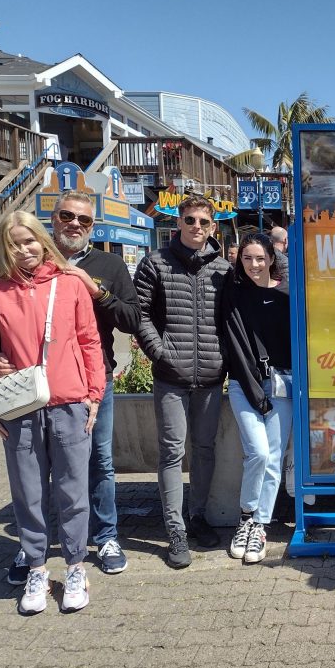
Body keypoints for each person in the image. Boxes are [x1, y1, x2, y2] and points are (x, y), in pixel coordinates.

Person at [0, 191, 140, 582]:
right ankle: (34, 549)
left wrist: (97, 291)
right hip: (32, 388)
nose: (75, 224)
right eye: (67, 216)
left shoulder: (107, 264)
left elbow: (131, 318)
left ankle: (106, 536)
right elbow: (1, 320)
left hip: (93, 382)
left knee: (99, 463)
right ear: (53, 219)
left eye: (85, 220)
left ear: (93, 226)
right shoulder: (25, 264)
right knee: (34, 469)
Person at [0, 211, 104, 614]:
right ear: (4, 249)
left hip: (69, 404)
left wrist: (93, 395)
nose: (24, 250)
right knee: (28, 494)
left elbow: (89, 341)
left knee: (73, 492)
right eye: (14, 243)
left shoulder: (69, 285)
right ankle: (37, 568)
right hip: (19, 408)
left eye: (29, 241)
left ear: (43, 241)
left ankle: (76, 566)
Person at [134, 195, 231, 568]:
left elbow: (229, 319)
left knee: (205, 451)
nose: (196, 228)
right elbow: (140, 314)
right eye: (190, 220)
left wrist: (222, 358)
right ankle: (174, 530)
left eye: (203, 222)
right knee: (172, 453)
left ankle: (198, 516)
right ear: (179, 222)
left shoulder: (223, 268)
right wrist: (160, 353)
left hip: (210, 375)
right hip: (170, 378)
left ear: (212, 226)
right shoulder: (156, 263)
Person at [219, 233, 292, 564]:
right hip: (243, 383)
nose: (254, 264)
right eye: (247, 258)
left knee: (273, 457)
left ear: (271, 258)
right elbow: (231, 342)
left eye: (260, 258)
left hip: (283, 382)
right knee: (258, 453)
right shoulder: (232, 293)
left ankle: (260, 526)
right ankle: (247, 516)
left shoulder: (288, 293)